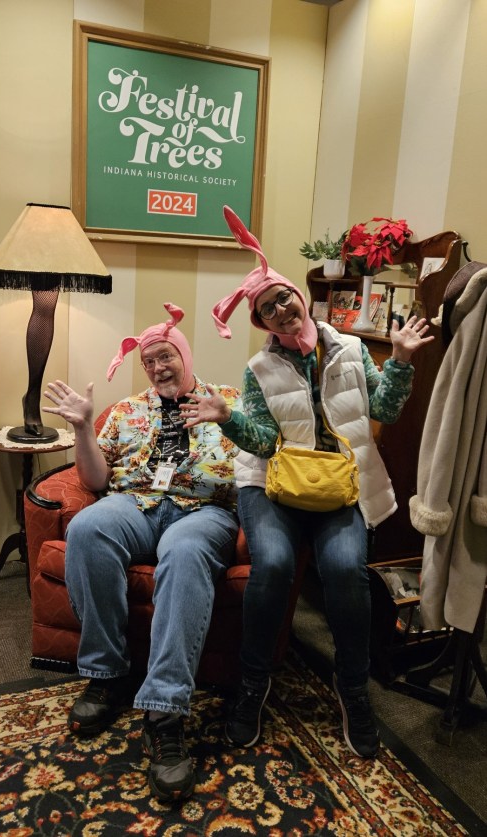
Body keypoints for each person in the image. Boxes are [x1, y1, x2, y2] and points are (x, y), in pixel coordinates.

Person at [180, 207, 434, 759]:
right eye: (267, 309)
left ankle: (352, 689)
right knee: (271, 564)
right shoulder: (258, 370)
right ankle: (252, 686)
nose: (280, 311)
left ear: (299, 297)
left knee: (345, 570)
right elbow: (266, 443)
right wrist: (227, 417)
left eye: (283, 299)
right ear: (263, 323)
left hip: (338, 483)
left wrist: (404, 363)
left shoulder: (350, 348)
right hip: (271, 483)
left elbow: (385, 405)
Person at [42, 302, 240, 802]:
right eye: (148, 361)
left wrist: (230, 421)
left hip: (204, 511)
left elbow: (261, 459)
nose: (157, 367)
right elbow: (94, 480)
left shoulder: (229, 400)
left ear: (185, 356)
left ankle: (166, 710)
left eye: (165, 356)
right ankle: (107, 675)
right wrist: (84, 428)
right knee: (87, 528)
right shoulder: (128, 411)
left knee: (185, 551)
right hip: (136, 503)